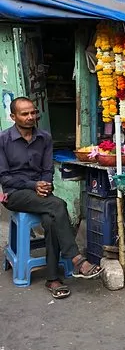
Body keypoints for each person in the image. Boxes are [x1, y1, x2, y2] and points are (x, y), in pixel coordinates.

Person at [0, 97, 103, 299]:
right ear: (13, 116)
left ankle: (53, 279)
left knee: (51, 219)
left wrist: (45, 185)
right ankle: (76, 259)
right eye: (24, 114)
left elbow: (47, 170)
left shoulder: (44, 138)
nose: (30, 117)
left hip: (42, 194)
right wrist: (33, 185)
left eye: (33, 112)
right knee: (58, 205)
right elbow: (4, 177)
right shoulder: (3, 140)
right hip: (15, 193)